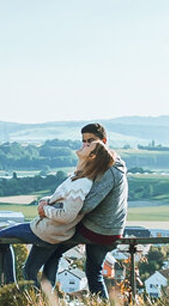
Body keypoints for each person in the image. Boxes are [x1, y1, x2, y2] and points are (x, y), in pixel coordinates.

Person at [0, 137, 116, 284]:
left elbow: (67, 215)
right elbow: (61, 198)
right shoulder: (78, 176)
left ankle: (9, 286)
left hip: (47, 230)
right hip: (52, 232)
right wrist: (46, 201)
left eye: (88, 145)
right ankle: (36, 303)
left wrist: (45, 209)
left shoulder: (82, 183)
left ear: (92, 156)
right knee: (29, 271)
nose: (83, 144)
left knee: (0, 237)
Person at [41, 123, 128, 297]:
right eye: (83, 142)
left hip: (98, 230)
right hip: (108, 230)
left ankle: (48, 302)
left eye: (91, 141)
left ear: (103, 141)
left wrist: (54, 208)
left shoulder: (109, 170)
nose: (86, 146)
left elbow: (87, 204)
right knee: (94, 274)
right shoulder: (110, 164)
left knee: (52, 252)